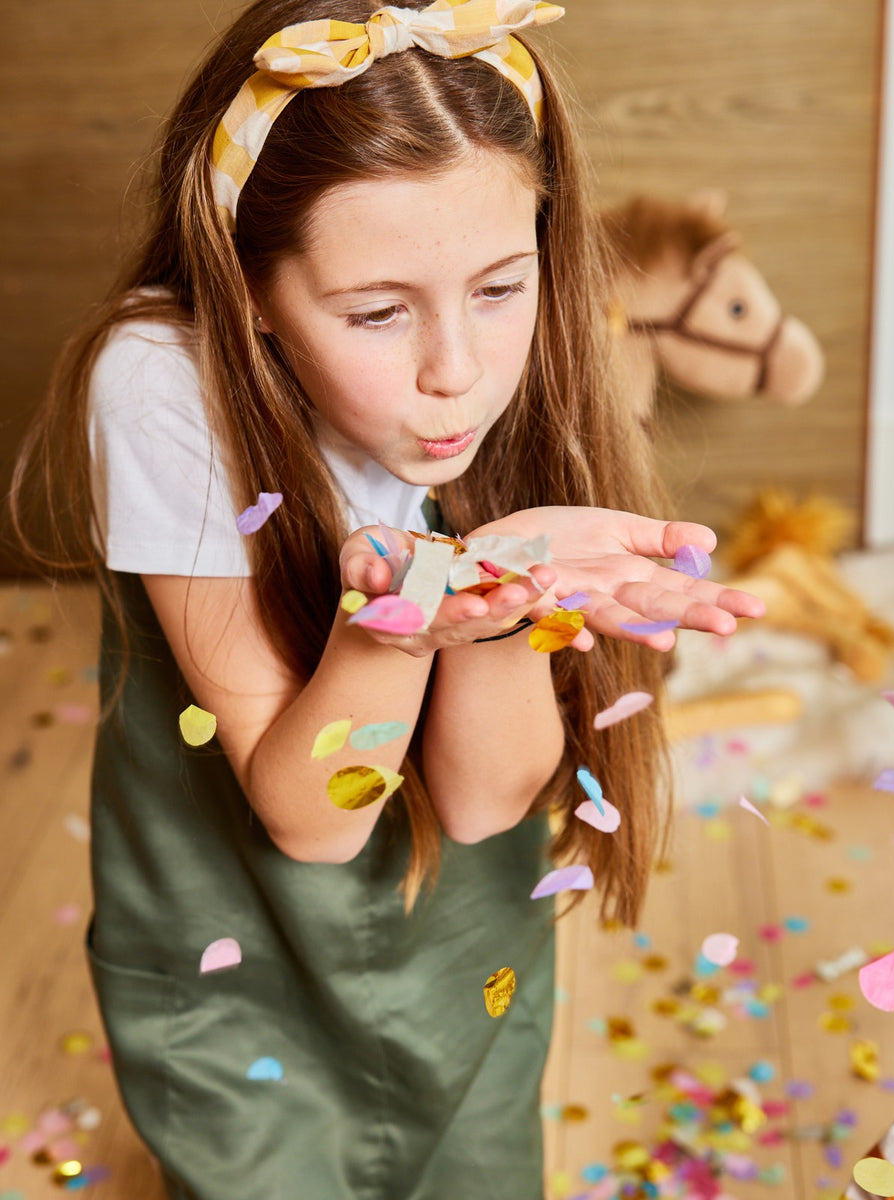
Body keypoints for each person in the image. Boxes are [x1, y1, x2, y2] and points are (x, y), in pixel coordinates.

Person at [12, 1, 764, 1196]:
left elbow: (481, 802)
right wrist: (405, 622)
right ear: (249, 290)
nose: (455, 372)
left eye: (500, 288)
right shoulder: (160, 379)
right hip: (239, 953)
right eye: (376, 313)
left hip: (460, 946)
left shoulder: (524, 362)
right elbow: (316, 819)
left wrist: (502, 589)